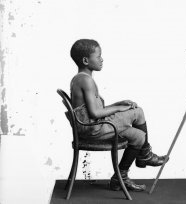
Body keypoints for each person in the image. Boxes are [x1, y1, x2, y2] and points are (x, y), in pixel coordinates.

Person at [69, 39, 168, 192]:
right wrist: (119, 107)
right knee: (138, 112)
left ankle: (119, 178)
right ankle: (145, 155)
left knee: (139, 136)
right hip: (94, 129)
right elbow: (95, 113)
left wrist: (119, 103)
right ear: (85, 60)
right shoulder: (86, 80)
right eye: (98, 56)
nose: (102, 59)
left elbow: (92, 110)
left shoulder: (80, 78)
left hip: (94, 126)